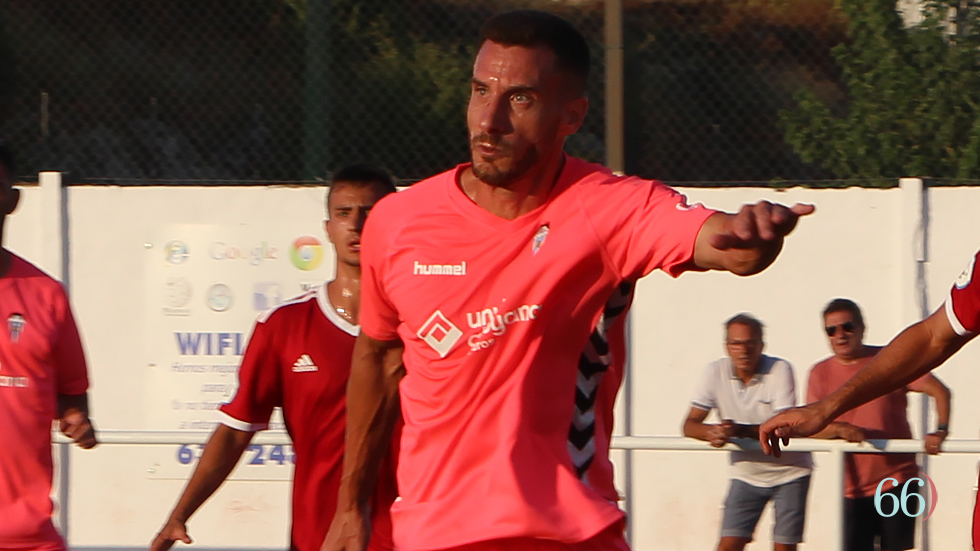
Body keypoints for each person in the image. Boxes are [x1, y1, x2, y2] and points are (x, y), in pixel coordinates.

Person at [323, 10, 814, 551]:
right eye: (480, 91)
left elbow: (725, 246)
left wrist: (752, 234)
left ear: (572, 115)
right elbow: (378, 360)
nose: (489, 120)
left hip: (567, 535)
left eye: (520, 99)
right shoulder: (398, 222)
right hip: (433, 536)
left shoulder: (609, 209)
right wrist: (350, 507)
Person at [150, 165, 399, 551]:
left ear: (392, 222)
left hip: (412, 534)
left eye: (370, 212)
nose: (356, 224)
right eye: (344, 213)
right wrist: (180, 514)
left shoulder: (422, 323)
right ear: (328, 227)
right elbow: (235, 430)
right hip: (319, 537)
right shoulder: (284, 325)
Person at [0, 140, 98, 551]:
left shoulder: (46, 295)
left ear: (12, 200)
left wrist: (76, 417)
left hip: (29, 537)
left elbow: (72, 396)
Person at [804, 298, 950, 551]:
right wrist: (839, 430)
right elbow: (810, 427)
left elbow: (939, 391)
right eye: (832, 330)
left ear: (862, 327)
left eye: (847, 327)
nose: (840, 335)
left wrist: (941, 430)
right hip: (852, 488)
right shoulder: (820, 373)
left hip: (899, 480)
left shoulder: (888, 360)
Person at [683, 314, 812, 551]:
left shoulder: (780, 369)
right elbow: (689, 425)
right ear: (727, 347)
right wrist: (711, 433)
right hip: (745, 473)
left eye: (750, 343)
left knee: (784, 548)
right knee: (728, 546)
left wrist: (737, 430)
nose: (743, 350)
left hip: (791, 472)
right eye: (736, 343)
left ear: (762, 345)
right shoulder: (714, 372)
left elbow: (783, 426)